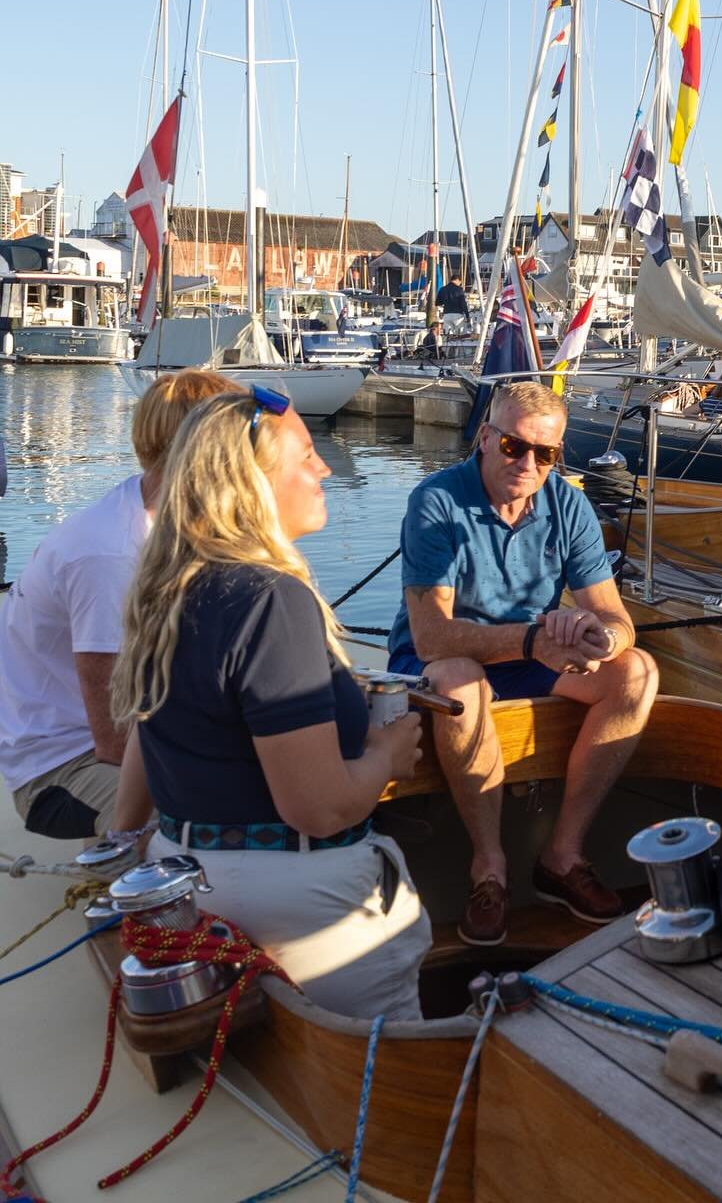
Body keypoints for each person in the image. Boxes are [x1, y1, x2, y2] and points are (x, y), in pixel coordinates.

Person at [110, 388, 428, 1019]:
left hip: (188, 881)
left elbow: (154, 729)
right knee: (384, 1070)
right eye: (307, 456)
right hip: (305, 907)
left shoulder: (167, 588)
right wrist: (385, 756)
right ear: (252, 481)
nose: (325, 468)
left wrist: (123, 841)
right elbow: (318, 807)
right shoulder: (271, 599)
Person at [387, 381, 658, 947]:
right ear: (486, 438)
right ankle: (488, 868)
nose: (529, 464)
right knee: (459, 682)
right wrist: (534, 641)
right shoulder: (436, 502)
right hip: (445, 658)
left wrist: (599, 639)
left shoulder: (568, 505)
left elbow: (616, 618)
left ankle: (563, 857)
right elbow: (432, 637)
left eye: (546, 453)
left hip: (531, 651)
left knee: (637, 672)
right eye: (515, 446)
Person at [0, 369, 240, 840]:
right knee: (224, 812)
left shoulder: (162, 523)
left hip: (129, 739)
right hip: (65, 768)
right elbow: (113, 738)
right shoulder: (110, 554)